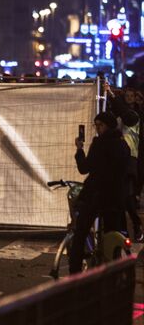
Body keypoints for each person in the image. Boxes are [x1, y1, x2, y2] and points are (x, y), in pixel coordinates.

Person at [69, 111, 130, 273]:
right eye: (96, 126)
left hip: (97, 195)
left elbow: (84, 168)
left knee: (80, 232)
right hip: (116, 197)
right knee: (112, 235)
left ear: (108, 126)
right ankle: (113, 269)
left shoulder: (100, 143)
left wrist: (79, 150)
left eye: (100, 125)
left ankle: (74, 272)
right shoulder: (123, 144)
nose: (97, 129)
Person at [106, 83, 143, 241]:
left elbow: (124, 114)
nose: (128, 99)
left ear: (135, 99)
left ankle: (136, 225)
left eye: (131, 96)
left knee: (127, 197)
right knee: (119, 197)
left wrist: (111, 94)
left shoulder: (134, 116)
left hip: (130, 159)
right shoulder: (119, 114)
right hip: (117, 158)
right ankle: (124, 230)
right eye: (126, 96)